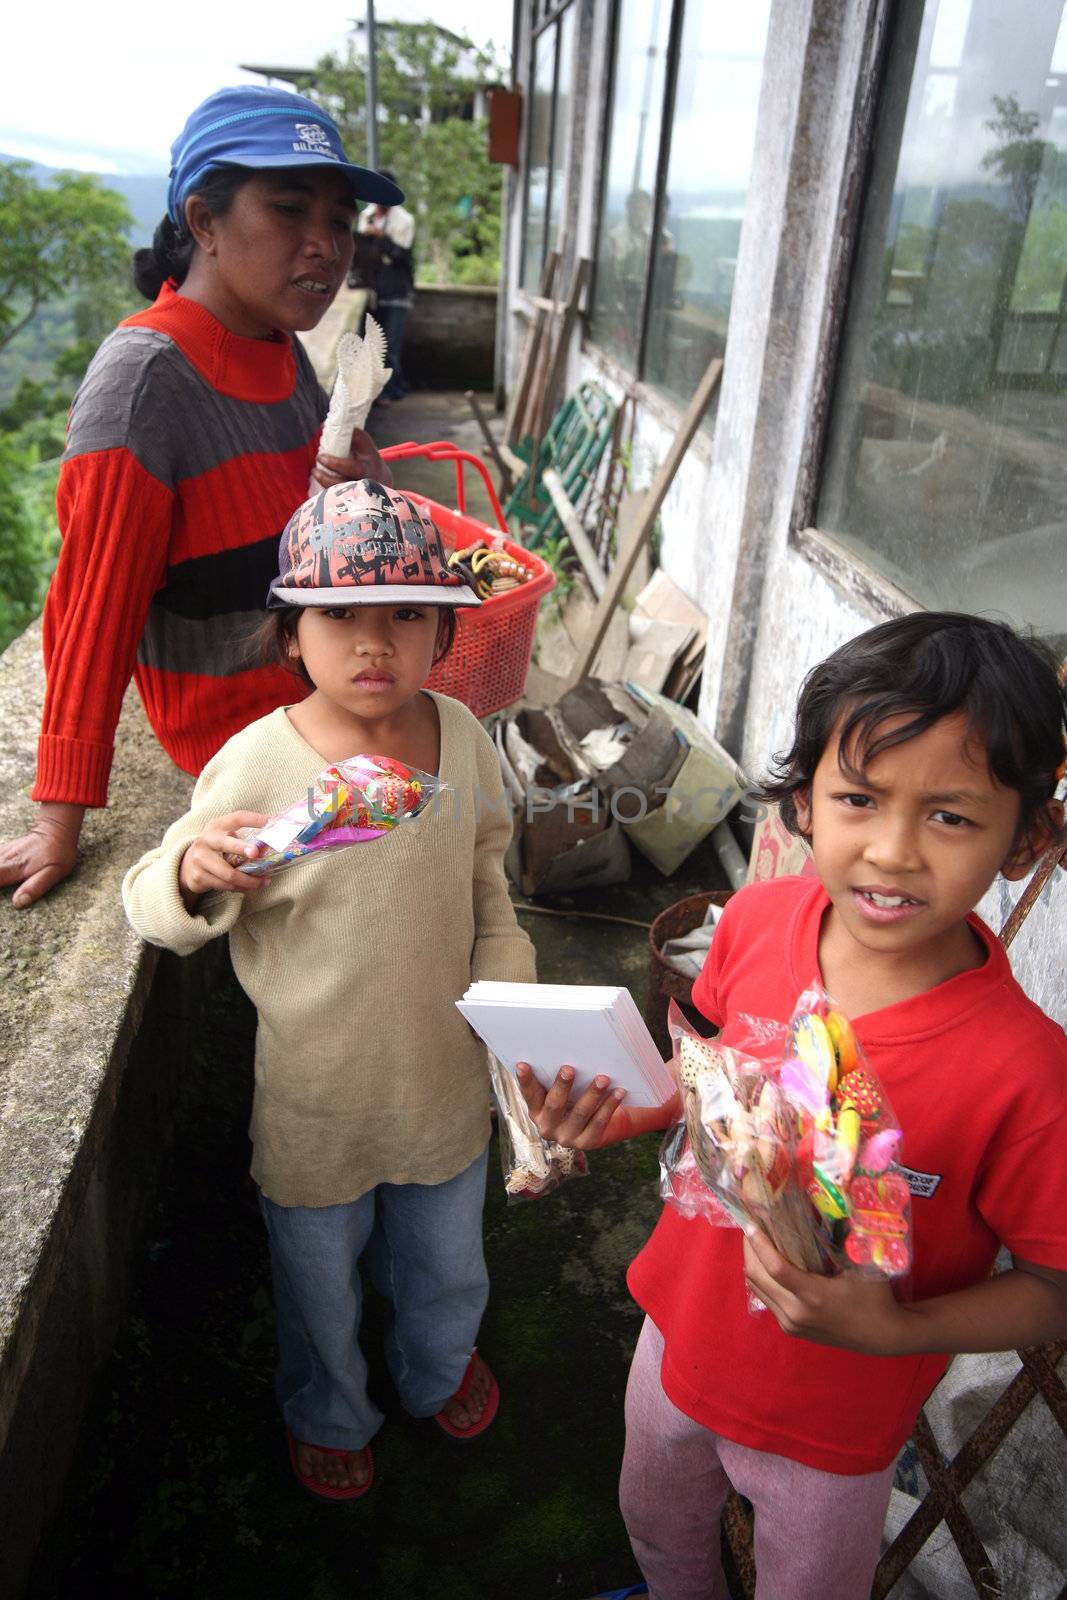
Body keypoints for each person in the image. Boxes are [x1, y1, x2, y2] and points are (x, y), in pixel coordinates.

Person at [519, 612, 1067, 1599]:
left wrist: (899, 1330)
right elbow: (708, 1077)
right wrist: (618, 1109)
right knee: (655, 1520)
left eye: (948, 815)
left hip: (836, 1422)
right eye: (857, 797)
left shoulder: (1024, 1071)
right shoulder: (761, 921)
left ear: (1024, 837)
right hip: (677, 1343)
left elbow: (1051, 1283)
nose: (891, 850)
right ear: (802, 802)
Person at [122, 478, 537, 1499]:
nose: (373, 642)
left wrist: (513, 1010)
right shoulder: (256, 763)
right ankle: (329, 1407)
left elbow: (487, 876)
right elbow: (149, 896)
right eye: (338, 614)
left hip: (442, 1080)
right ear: (288, 634)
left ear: (443, 632)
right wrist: (191, 873)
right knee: (317, 1280)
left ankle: (435, 1367)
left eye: (407, 614)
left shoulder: (460, 734)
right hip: (317, 1095)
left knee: (445, 1265)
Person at [0, 85, 403, 911]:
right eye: (289, 210)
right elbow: (89, 609)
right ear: (204, 222)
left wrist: (359, 494)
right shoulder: (144, 382)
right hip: (250, 744)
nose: (325, 247)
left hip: (320, 688)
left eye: (337, 220)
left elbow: (271, 524)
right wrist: (59, 820)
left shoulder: (279, 344)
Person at [356, 170, 416, 402]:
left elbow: (401, 255)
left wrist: (381, 237)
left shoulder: (404, 220)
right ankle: (386, 389)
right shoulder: (368, 215)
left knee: (391, 345)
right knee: (373, 345)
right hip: (373, 288)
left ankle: (392, 390)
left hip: (396, 290)